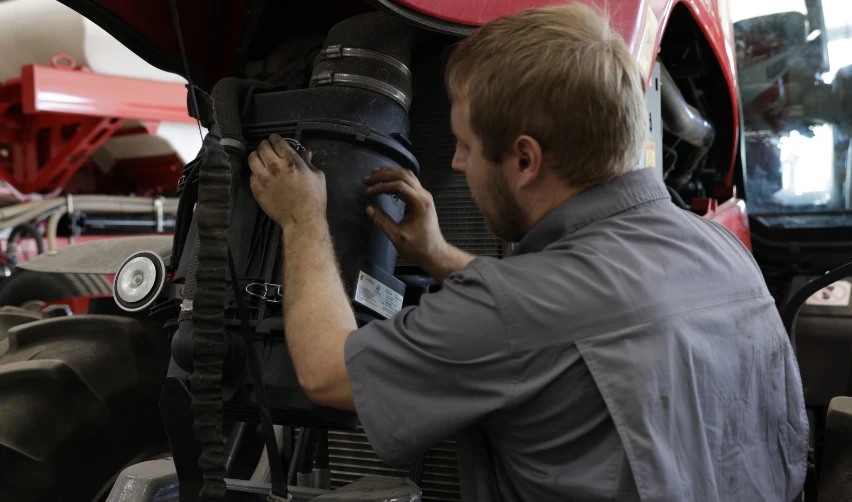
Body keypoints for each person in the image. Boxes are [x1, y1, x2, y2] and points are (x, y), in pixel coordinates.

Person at [247, 4, 808, 501]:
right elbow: (571, 314)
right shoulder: (720, 248)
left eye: (465, 145)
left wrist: (302, 219)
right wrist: (441, 256)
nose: (457, 163)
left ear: (525, 159)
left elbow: (324, 373)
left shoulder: (513, 309)